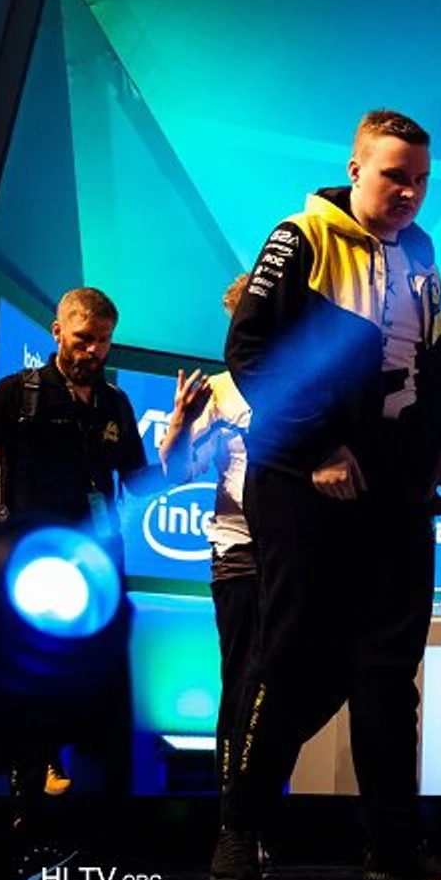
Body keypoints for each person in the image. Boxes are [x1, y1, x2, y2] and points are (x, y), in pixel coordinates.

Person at [214, 109, 441, 880]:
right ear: (355, 169)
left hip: (395, 481)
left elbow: (436, 358)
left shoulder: (422, 253)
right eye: (395, 175)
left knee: (389, 669)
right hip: (302, 476)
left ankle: (394, 848)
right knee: (291, 658)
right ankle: (240, 830)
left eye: (421, 180)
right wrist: (318, 446)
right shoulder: (300, 237)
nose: (410, 192)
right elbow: (249, 351)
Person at [0, 286, 208, 800]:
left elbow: (142, 483)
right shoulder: (15, 394)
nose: (93, 350)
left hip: (96, 569)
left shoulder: (115, 404)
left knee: (100, 686)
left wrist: (180, 426)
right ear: (58, 333)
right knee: (30, 680)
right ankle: (27, 800)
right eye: (83, 339)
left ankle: (101, 812)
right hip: (27, 568)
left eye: (103, 341)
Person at [158, 273, 256, 788]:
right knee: (242, 677)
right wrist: (180, 423)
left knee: (287, 684)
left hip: (296, 553)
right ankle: (233, 807)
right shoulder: (218, 390)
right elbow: (176, 472)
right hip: (239, 551)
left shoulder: (309, 382)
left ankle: (260, 801)